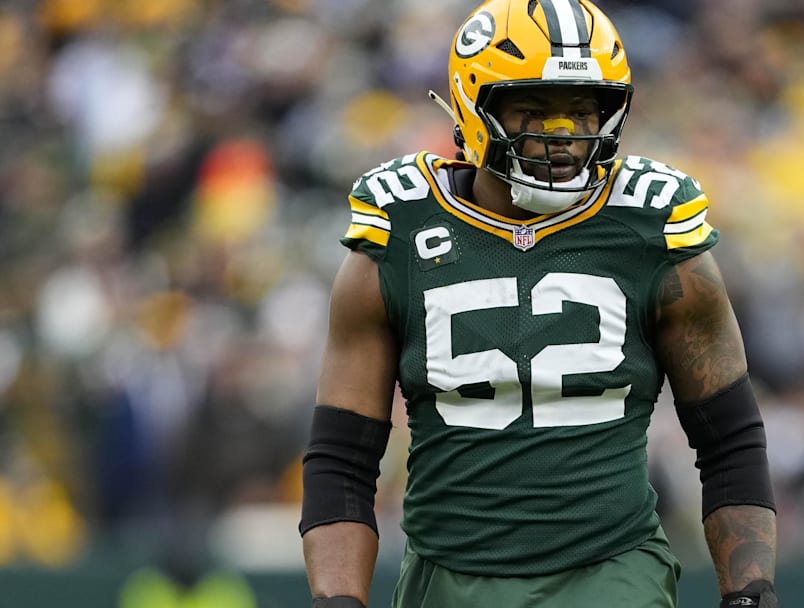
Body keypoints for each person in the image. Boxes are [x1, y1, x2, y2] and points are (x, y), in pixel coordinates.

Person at [299, 1, 778, 607]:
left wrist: (749, 588)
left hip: (609, 570)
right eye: (533, 109)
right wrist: (338, 599)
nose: (562, 137)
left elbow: (728, 436)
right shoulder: (397, 236)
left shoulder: (651, 231)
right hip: (449, 577)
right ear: (475, 106)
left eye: (581, 111)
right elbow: (343, 455)